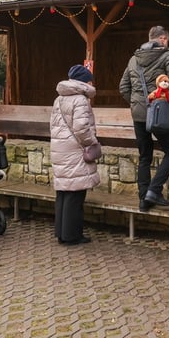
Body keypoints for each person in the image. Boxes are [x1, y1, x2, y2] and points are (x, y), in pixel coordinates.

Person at [119, 25, 169, 212]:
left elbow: (123, 87)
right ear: (163, 39)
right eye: (166, 40)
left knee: (144, 155)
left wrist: (137, 103)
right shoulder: (167, 55)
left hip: (138, 114)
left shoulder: (134, 59)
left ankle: (143, 199)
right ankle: (153, 191)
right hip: (159, 111)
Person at [50, 64, 102, 246]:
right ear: (84, 81)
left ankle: (62, 233)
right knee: (75, 194)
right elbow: (81, 129)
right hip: (74, 150)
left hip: (61, 148)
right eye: (90, 80)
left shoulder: (59, 99)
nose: (91, 82)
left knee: (63, 192)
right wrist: (91, 142)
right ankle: (72, 235)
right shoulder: (80, 99)